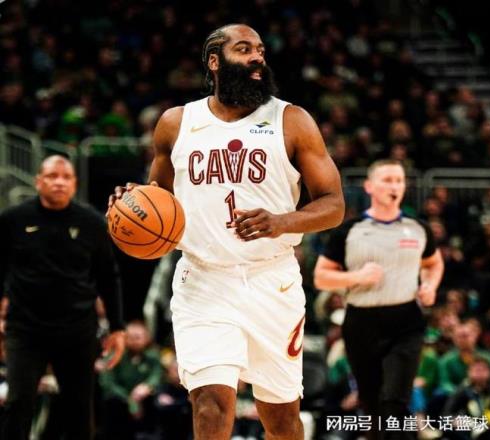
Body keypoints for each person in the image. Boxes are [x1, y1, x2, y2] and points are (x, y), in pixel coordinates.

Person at [110, 23, 344, 440]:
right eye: (244, 49)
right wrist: (131, 205)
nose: (257, 57)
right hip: (204, 281)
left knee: (282, 421)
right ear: (215, 62)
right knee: (211, 404)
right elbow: (157, 200)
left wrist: (281, 222)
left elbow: (334, 205)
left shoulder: (292, 121)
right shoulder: (176, 124)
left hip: (272, 281)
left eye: (260, 50)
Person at [314, 159, 444, 440]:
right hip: (361, 322)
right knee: (371, 402)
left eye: (399, 180)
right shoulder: (349, 230)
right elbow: (321, 277)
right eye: (387, 180)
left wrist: (430, 285)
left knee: (395, 399)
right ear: (369, 186)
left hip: (406, 321)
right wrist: (356, 277)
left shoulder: (418, 228)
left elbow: (434, 263)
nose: (394, 186)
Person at [0, 155, 126, 440]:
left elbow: (108, 276)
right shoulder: (12, 219)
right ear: (38, 181)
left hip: (77, 330)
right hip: (25, 329)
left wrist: (117, 327)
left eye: (66, 177)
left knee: (79, 411)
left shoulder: (92, 223)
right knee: (18, 403)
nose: (59, 182)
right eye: (52, 176)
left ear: (74, 184)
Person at [99, 320, 163, 440]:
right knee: (113, 403)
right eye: (129, 337)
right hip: (120, 401)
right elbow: (108, 382)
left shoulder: (153, 356)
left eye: (137, 337)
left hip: (144, 400)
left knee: (159, 400)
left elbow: (157, 375)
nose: (133, 341)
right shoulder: (115, 355)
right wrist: (130, 400)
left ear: (146, 338)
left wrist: (147, 386)